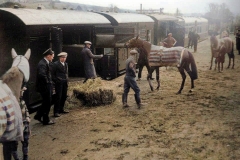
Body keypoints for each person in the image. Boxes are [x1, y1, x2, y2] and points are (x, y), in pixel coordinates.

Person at [34, 48, 55, 125]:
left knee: (46, 102)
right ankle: (46, 120)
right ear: (48, 56)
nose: (53, 57)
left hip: (45, 86)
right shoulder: (42, 64)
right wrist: (49, 83)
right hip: (45, 87)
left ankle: (38, 116)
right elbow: (42, 75)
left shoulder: (45, 62)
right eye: (52, 56)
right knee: (47, 103)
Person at [52, 52, 69, 117]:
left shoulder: (66, 64)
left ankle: (61, 109)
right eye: (62, 57)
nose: (64, 59)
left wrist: (67, 80)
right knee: (58, 97)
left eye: (65, 57)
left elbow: (66, 73)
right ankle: (56, 111)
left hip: (64, 82)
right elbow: (52, 75)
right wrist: (56, 80)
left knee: (64, 96)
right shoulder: (55, 64)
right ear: (59, 58)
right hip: (59, 83)